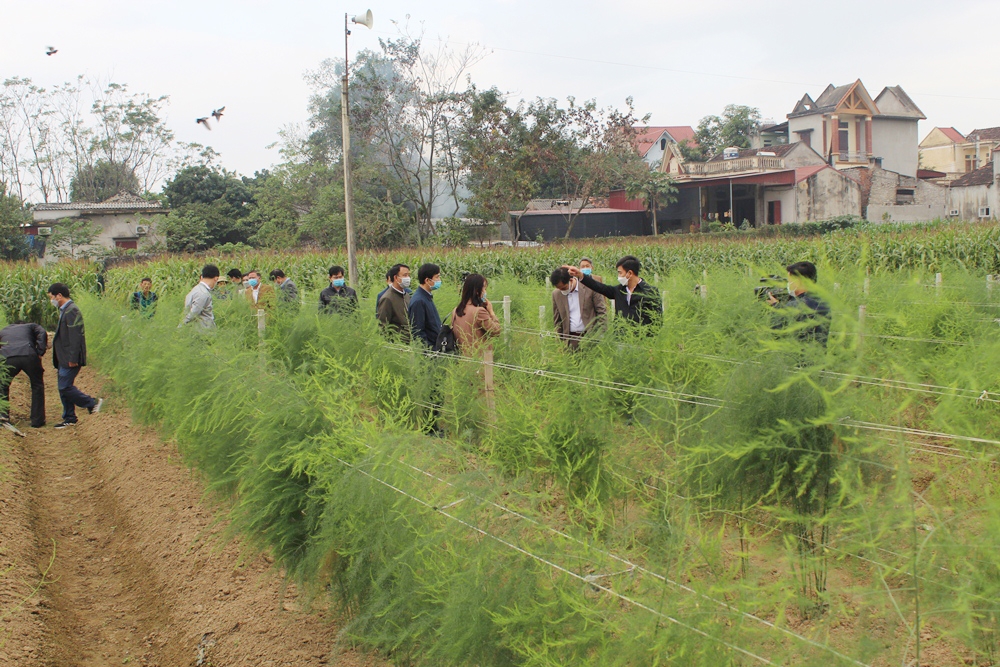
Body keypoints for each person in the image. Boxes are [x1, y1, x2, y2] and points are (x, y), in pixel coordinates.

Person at [47, 283, 102, 429]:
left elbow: (75, 336)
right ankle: (69, 417)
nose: (51, 300)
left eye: (51, 296)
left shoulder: (71, 310)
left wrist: (72, 358)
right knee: (63, 387)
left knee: (64, 387)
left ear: (59, 295)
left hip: (69, 358)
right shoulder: (64, 310)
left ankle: (92, 403)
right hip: (63, 358)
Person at [567, 255, 661, 328]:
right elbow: (599, 287)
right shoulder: (619, 290)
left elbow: (657, 321)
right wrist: (580, 275)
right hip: (621, 342)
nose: (619, 276)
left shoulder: (650, 292)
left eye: (620, 272)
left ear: (630, 273)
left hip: (642, 342)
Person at [768, 261, 830, 346]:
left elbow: (777, 333)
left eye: (789, 280)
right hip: (819, 354)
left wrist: (776, 307)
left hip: (799, 355)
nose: (788, 284)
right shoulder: (823, 302)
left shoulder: (795, 305)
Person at [0, 320, 48, 428]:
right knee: (37, 385)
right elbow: (42, 332)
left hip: (8, 357)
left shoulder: (4, 330)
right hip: (28, 354)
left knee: (2, 386)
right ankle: (37, 420)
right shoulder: (31, 326)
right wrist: (40, 351)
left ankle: (3, 417)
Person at [550, 266, 606, 349]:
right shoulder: (556, 294)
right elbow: (557, 321)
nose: (562, 291)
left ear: (571, 280)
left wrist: (600, 336)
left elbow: (602, 312)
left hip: (591, 338)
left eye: (563, 288)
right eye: (559, 289)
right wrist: (560, 342)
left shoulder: (590, 288)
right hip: (570, 341)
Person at [450, 274, 501, 355]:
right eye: (484, 288)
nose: (485, 292)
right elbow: (496, 331)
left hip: (462, 358)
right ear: (477, 291)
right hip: (479, 359)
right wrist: (491, 312)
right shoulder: (479, 312)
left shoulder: (456, 310)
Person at [409, 263, 443, 349]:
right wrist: (429, 351)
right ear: (427, 280)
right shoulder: (419, 301)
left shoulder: (426, 297)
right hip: (429, 353)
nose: (439, 280)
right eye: (437, 277)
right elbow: (418, 332)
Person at [376, 264, 412, 341]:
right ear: (395, 277)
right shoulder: (387, 298)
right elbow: (382, 326)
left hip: (410, 342)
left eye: (408, 275)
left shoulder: (406, 295)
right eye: (405, 275)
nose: (408, 278)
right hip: (398, 344)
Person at [182, 264, 220, 328]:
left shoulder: (194, 290)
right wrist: (181, 325)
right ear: (216, 279)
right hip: (203, 331)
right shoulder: (203, 293)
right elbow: (193, 313)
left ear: (201, 277)